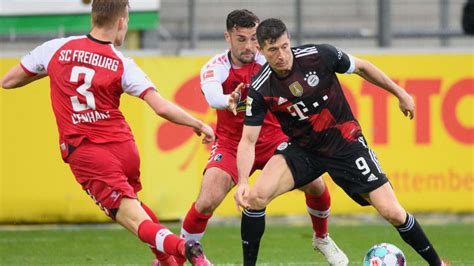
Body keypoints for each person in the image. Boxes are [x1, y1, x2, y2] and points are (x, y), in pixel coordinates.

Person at [0, 1, 214, 265]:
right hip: (124, 146)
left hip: (87, 152)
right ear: (122, 21)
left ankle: (185, 248)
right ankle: (169, 262)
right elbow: (160, 107)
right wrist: (198, 124)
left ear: (94, 17)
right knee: (134, 206)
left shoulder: (55, 49)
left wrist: (54, 73)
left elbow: (8, 81)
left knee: (133, 219)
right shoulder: (123, 64)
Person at [234, 18, 449, 266]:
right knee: (255, 197)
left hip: (345, 143)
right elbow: (248, 140)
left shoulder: (319, 55)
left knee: (392, 212)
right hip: (304, 149)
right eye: (273, 50)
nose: (281, 55)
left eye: (284, 46)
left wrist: (400, 93)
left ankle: (438, 263)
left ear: (289, 40)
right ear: (261, 50)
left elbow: (363, 67)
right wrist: (242, 181)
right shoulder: (260, 88)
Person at [178, 10, 348, 266]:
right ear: (228, 37)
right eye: (241, 39)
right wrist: (229, 100)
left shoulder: (271, 60)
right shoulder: (215, 67)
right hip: (232, 143)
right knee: (206, 201)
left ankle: (322, 238)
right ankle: (176, 257)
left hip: (274, 138)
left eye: (253, 39)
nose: (249, 46)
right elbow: (213, 97)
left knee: (316, 185)